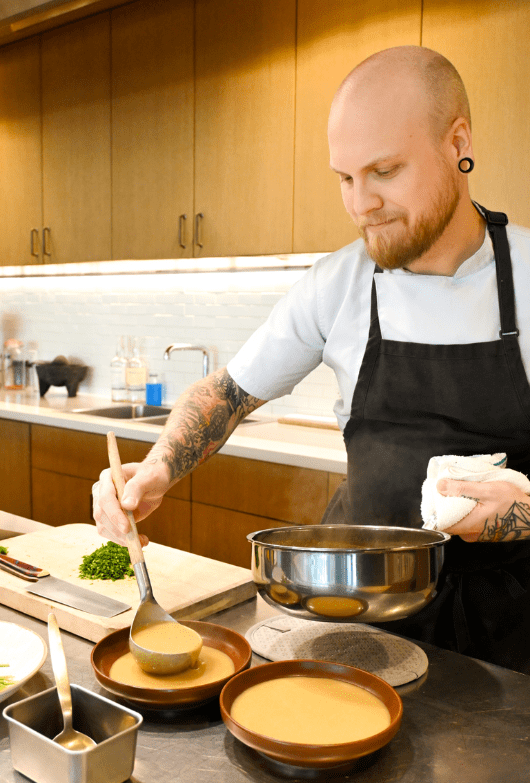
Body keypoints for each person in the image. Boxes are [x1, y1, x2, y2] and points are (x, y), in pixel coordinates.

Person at [93, 45, 530, 673]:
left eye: (384, 171)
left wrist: (522, 514)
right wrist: (158, 468)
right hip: (360, 616)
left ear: (457, 141)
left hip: (512, 633)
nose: (360, 204)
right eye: (345, 178)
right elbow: (227, 393)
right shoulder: (337, 284)